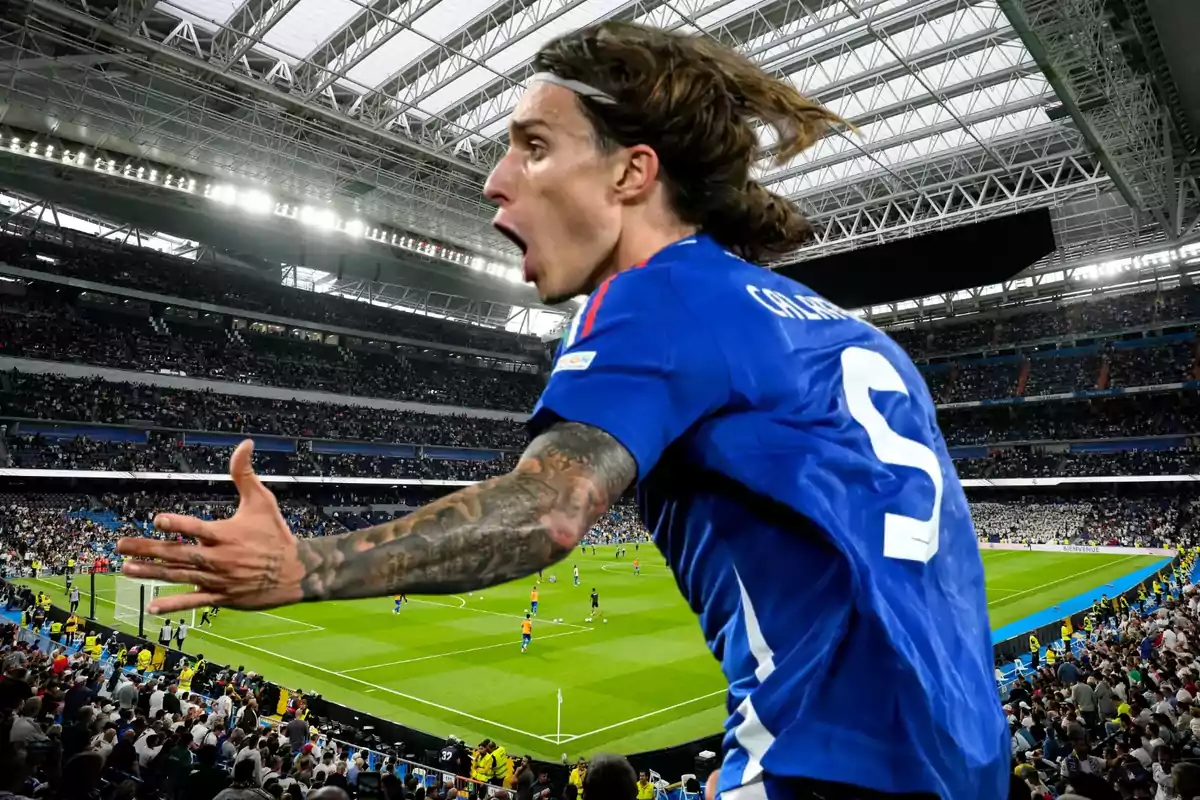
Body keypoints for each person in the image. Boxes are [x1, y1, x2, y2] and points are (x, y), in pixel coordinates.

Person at [116, 20, 1005, 800]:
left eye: (533, 145)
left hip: (820, 770)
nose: (497, 180)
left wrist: (302, 567)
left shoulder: (661, 297)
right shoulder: (852, 338)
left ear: (632, 173)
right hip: (970, 763)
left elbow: (550, 507)